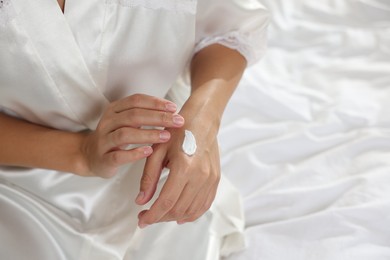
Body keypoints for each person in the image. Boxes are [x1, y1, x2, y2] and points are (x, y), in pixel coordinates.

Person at [0, 0, 269, 259]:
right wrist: (81, 153)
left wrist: (201, 121)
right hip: (21, 178)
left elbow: (228, 27)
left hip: (158, 160)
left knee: (187, 232)